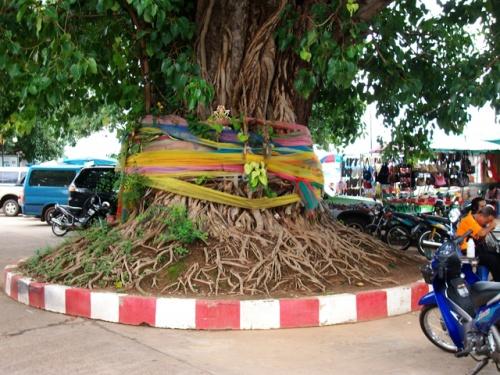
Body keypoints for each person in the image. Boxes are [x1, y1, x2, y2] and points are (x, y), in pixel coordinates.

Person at [456, 205, 499, 281]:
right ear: (481, 216)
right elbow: (481, 233)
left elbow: (480, 237)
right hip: (466, 251)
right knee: (492, 259)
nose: (487, 223)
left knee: (496, 254)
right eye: (487, 221)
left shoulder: (475, 221)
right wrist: (491, 226)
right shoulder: (469, 220)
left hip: (474, 249)